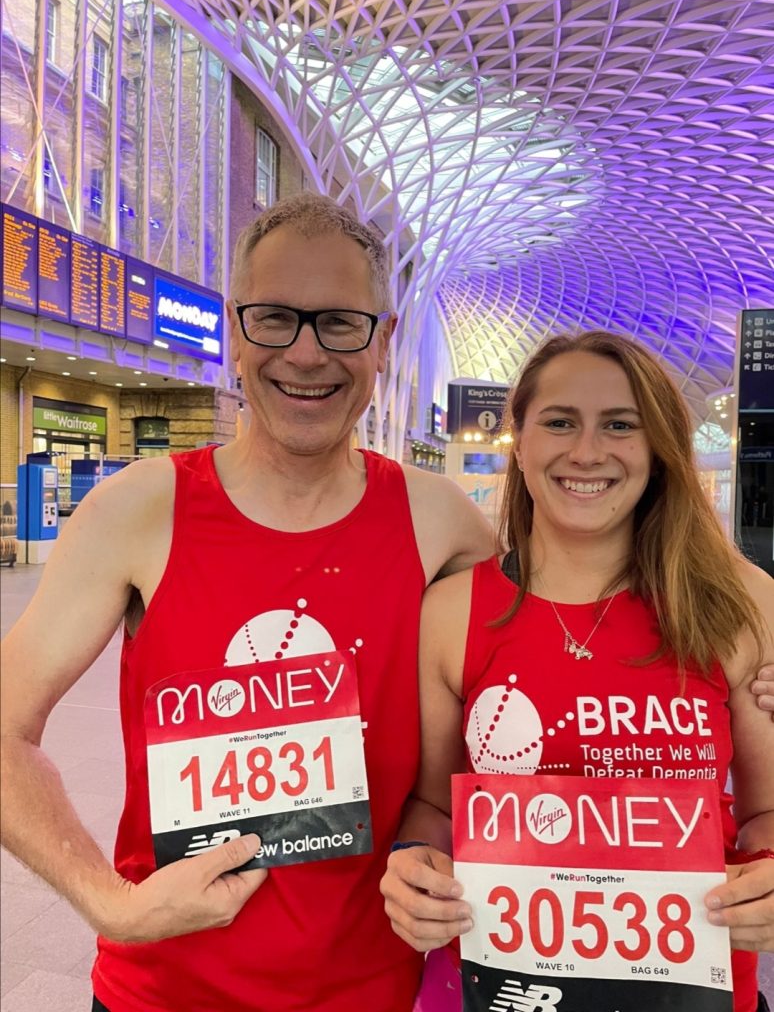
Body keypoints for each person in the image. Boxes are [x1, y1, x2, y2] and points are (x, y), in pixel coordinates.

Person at [0, 194, 497, 1012]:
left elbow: (556, 657)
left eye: (340, 322)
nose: (305, 354)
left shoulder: (440, 522)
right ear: (234, 333)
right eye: (274, 318)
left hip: (374, 992)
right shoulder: (141, 509)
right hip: (161, 993)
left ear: (384, 341)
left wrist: (744, 675)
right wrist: (109, 904)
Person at [380, 331, 774, 1012]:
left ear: (658, 450)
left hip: (687, 992)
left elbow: (766, 811)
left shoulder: (736, 606)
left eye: (621, 425)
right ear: (521, 441)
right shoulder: (451, 612)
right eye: (560, 422)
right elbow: (434, 803)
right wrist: (415, 861)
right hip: (494, 987)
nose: (587, 452)